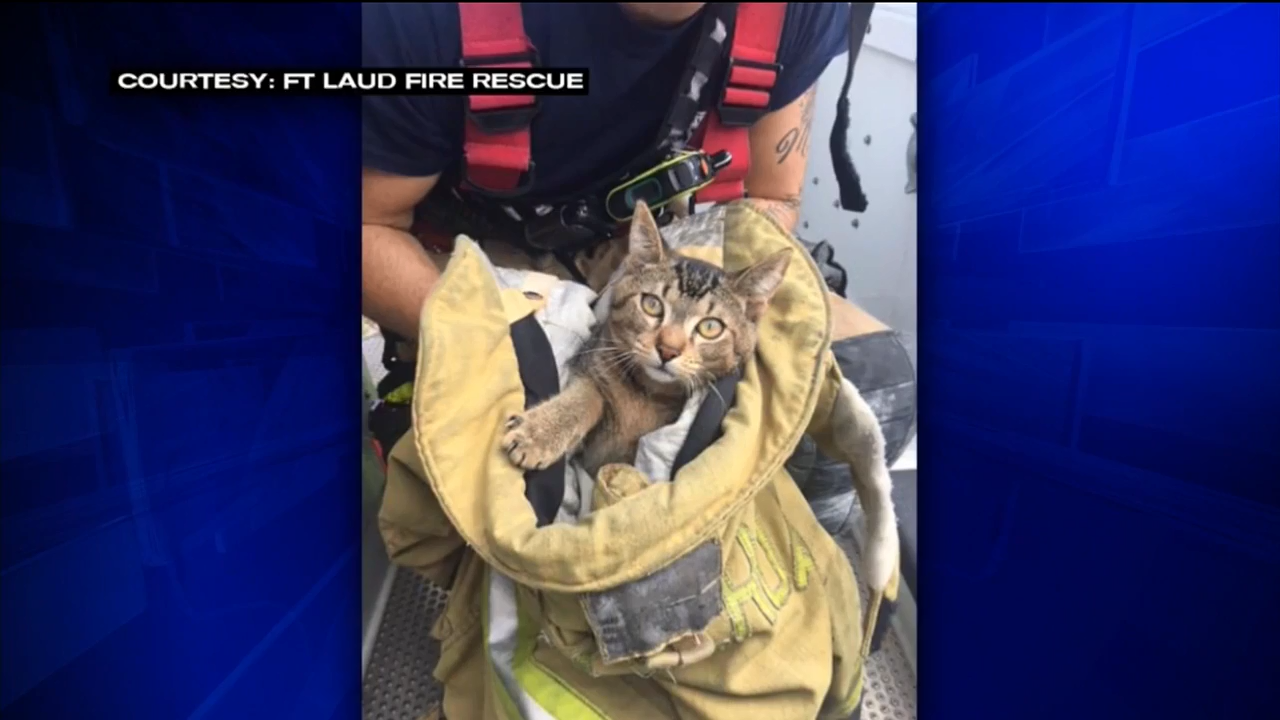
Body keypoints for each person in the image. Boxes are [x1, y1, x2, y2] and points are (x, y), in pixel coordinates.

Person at [361, 2, 915, 535]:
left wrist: (734, 319)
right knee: (497, 475)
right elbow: (360, 227)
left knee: (875, 379)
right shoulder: (419, 15)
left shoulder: (791, 10)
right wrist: (493, 337)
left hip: (656, 248)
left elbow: (772, 199)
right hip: (480, 247)